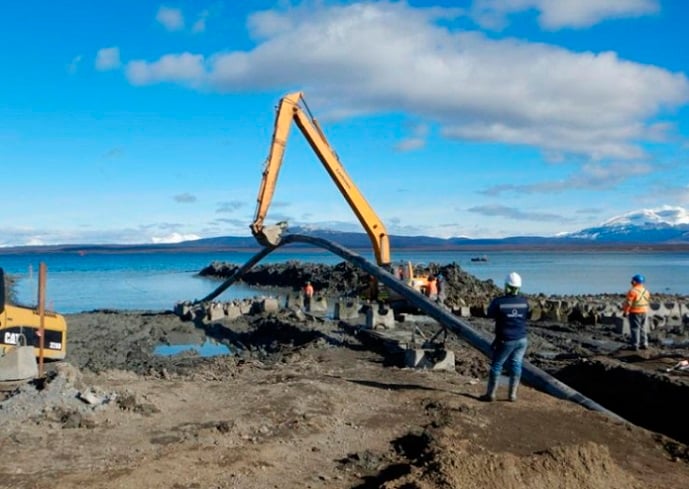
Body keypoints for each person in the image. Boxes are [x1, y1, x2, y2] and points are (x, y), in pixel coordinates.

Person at [481, 272, 529, 402]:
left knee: (497, 365)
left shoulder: (499, 302)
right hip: (522, 339)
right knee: (516, 365)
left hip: (506, 339)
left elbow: (490, 314)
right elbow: (526, 316)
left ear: (506, 286)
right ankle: (512, 395)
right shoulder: (524, 303)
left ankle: (490, 394)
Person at [623, 274, 650, 350]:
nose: (631, 282)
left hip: (635, 311)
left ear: (635, 282)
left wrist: (626, 311)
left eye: (632, 280)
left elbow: (629, 303)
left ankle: (635, 345)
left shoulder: (632, 291)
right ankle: (644, 343)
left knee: (635, 328)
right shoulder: (646, 291)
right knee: (643, 327)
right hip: (644, 311)